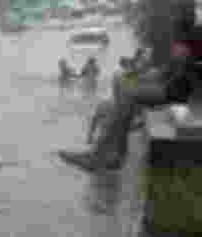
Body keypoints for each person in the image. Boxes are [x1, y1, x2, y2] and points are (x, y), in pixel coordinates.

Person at [58, 20, 202, 172]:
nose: (175, 47)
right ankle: (114, 153)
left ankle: (103, 156)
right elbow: (165, 72)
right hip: (174, 86)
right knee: (122, 81)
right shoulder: (186, 35)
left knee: (128, 94)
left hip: (181, 92)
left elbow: (178, 71)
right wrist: (138, 75)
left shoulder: (191, 37)